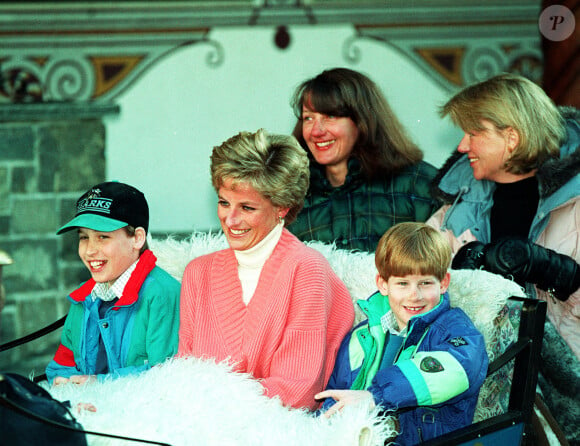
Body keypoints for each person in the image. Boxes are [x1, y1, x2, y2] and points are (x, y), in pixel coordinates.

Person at [427, 73, 579, 442]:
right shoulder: (457, 207)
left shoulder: (576, 204)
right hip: (479, 390)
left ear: (511, 138)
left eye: (473, 133)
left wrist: (556, 273)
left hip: (569, 396)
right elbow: (407, 278)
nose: (462, 146)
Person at [177, 129, 355, 410]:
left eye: (247, 207)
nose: (230, 219)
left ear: (282, 208)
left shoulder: (307, 270)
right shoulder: (197, 273)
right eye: (224, 202)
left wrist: (214, 403)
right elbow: (183, 374)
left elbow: (299, 389)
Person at [316, 222, 487, 445]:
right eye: (403, 283)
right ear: (383, 284)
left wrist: (376, 397)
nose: (414, 295)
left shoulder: (455, 329)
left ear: (443, 283)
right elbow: (338, 394)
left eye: (425, 283)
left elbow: (460, 369)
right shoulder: (362, 336)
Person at [286, 67, 440, 252]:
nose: (316, 131)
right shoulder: (291, 197)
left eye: (331, 116)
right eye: (308, 118)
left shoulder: (421, 184)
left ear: (363, 121)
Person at [46, 181, 181, 385]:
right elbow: (60, 366)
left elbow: (166, 376)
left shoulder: (163, 294)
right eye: (84, 237)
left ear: (137, 238)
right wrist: (64, 383)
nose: (90, 250)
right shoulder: (82, 299)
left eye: (103, 237)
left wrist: (98, 384)